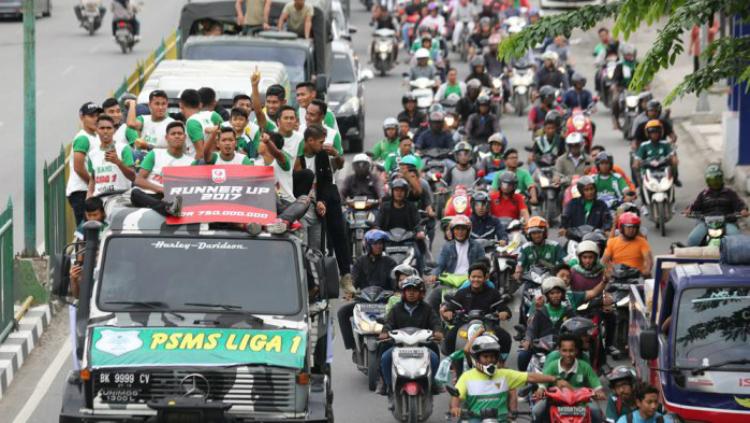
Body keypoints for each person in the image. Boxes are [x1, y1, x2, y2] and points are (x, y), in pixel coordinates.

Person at [451, 334, 565, 422]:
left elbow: (531, 377)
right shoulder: (467, 376)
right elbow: (457, 395)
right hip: (475, 419)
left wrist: (554, 379)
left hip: (502, 419)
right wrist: (455, 407)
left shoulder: (505, 374)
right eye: (485, 357)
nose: (489, 360)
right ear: (477, 358)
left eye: (492, 357)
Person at [295, 124, 353, 286]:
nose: (323, 146)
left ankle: (345, 274)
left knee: (338, 231)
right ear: (310, 141)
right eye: (320, 142)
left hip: (324, 196)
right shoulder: (297, 158)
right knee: (306, 241)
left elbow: (327, 180)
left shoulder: (321, 155)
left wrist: (322, 201)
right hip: (303, 201)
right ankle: (306, 279)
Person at [379, 276, 443, 403]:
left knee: (435, 357)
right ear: (403, 292)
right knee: (385, 357)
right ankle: (387, 385)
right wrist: (385, 332)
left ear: (421, 293)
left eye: (414, 290)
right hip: (399, 346)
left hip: (422, 345)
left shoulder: (427, 309)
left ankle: (433, 382)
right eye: (408, 290)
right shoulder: (396, 308)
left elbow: (436, 322)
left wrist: (438, 331)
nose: (411, 293)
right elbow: (389, 323)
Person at [338, 229, 397, 352]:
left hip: (384, 302)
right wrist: (350, 291)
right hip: (364, 301)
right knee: (342, 313)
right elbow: (353, 280)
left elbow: (395, 281)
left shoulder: (390, 262)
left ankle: (397, 343)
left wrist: (397, 291)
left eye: (381, 243)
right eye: (376, 243)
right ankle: (353, 346)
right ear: (368, 245)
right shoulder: (360, 262)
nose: (379, 246)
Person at [440, 263, 513, 354]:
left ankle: (501, 363)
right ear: (469, 277)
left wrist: (504, 313)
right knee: (449, 338)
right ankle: (453, 365)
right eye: (473, 277)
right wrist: (448, 311)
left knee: (505, 338)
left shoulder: (493, 293)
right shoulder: (462, 293)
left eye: (479, 277)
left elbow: (504, 309)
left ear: (485, 278)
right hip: (465, 323)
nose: (476, 279)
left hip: (488, 324)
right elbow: (452, 305)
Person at [533, 333, 606, 423]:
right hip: (555, 403)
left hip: (581, 404)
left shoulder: (585, 366)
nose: (568, 354)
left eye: (571, 350)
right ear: (559, 351)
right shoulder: (552, 366)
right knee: (536, 411)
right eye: (564, 350)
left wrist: (599, 392)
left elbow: (596, 385)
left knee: (596, 412)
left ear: (576, 351)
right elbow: (543, 383)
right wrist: (540, 390)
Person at [131, 121, 193, 216]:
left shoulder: (190, 162)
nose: (177, 136)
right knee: (135, 193)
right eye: (173, 134)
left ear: (184, 137)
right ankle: (168, 209)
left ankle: (170, 209)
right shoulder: (155, 154)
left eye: (180, 134)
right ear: (166, 138)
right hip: (150, 194)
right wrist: (161, 189)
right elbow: (138, 180)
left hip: (173, 198)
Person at [518, 277, 578, 372]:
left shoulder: (568, 311)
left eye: (558, 293)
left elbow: (576, 327)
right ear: (547, 295)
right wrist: (528, 339)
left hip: (563, 348)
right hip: (541, 347)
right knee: (522, 355)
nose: (555, 296)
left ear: (562, 294)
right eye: (552, 293)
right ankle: (524, 377)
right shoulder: (541, 311)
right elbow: (532, 328)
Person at [685, 164, 749, 246]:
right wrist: (689, 210)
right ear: (707, 181)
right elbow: (694, 206)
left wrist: (743, 210)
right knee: (692, 239)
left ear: (721, 179)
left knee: (736, 240)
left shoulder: (730, 193)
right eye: (712, 181)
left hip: (727, 221)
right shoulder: (703, 195)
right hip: (706, 223)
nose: (714, 183)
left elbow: (740, 204)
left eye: (717, 180)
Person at [67, 102, 102, 225]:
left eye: (97, 115)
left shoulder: (96, 136)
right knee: (86, 230)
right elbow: (78, 167)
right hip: (81, 191)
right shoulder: (83, 138)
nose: (96, 119)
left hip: (89, 190)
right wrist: (92, 184)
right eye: (91, 116)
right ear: (82, 118)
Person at [86, 114, 135, 198]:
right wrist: (89, 195)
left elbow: (133, 177)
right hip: (99, 198)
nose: (105, 131)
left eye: (109, 128)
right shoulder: (92, 153)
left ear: (114, 130)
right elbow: (93, 178)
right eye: (102, 128)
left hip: (120, 196)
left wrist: (118, 162)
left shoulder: (123, 149)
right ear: (96, 130)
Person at [428, 216, 485, 283]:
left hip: (471, 282)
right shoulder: (446, 247)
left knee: (490, 289)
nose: (460, 232)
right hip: (450, 281)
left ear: (468, 231)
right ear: (452, 231)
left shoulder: (477, 246)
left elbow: (483, 265)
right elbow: (440, 264)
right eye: (457, 229)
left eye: (463, 229)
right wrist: (434, 275)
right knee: (435, 293)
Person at [514, 217, 565, 281]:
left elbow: (565, 262)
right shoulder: (525, 248)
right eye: (533, 233)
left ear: (544, 233)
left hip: (551, 281)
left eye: (539, 232)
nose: (536, 236)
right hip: (530, 282)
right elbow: (519, 265)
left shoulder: (555, 246)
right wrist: (517, 274)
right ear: (529, 235)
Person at [602, 213, 653, 277]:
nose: (632, 230)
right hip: (617, 277)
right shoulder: (612, 242)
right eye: (629, 227)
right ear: (621, 227)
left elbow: (649, 261)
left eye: (634, 227)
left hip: (637, 277)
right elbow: (604, 261)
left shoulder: (642, 242)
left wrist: (646, 271)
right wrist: (609, 270)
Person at [180, 88, 223, 162]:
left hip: (200, 167)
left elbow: (201, 154)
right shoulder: (213, 115)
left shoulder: (192, 122)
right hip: (219, 164)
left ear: (181, 105)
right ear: (200, 104)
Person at [304, 100, 344, 169]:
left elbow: (340, 166)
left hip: (326, 179)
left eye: (312, 115)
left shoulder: (333, 135)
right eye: (307, 113)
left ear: (322, 116)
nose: (307, 117)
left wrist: (335, 154)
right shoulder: (299, 131)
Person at [611, 43, 638, 130]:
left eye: (631, 54)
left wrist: (647, 85)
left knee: (648, 101)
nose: (629, 56)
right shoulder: (620, 65)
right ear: (624, 55)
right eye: (627, 55)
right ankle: (616, 120)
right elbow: (615, 78)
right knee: (615, 101)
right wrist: (615, 86)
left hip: (637, 90)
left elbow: (644, 76)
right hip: (623, 90)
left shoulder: (638, 64)